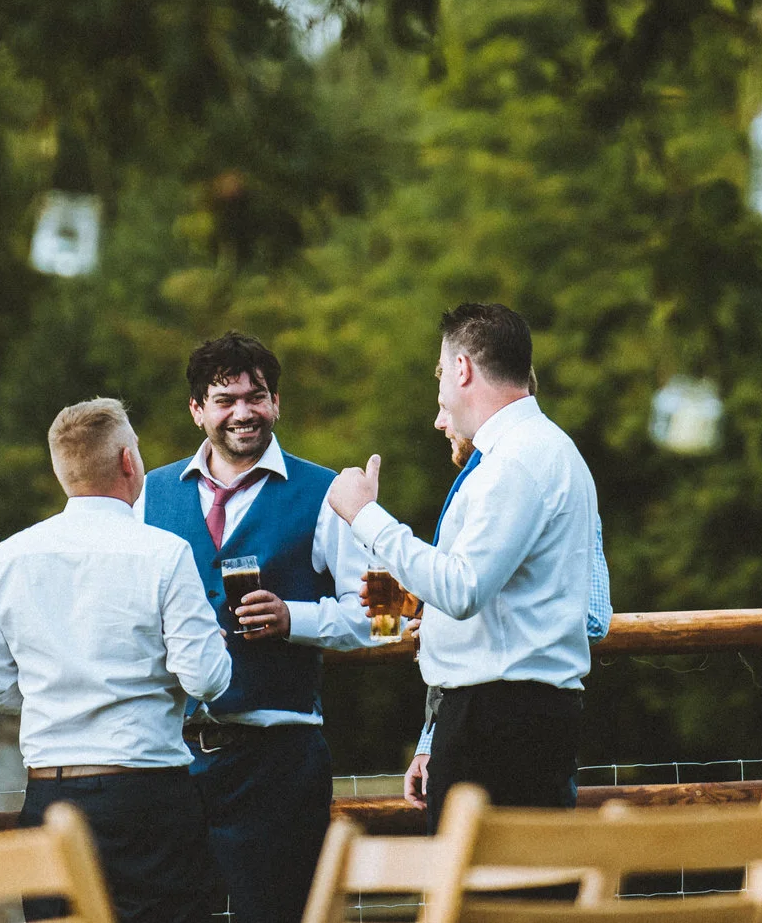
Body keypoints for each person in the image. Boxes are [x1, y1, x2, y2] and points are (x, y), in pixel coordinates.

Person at [326, 302, 600, 830]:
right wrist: (433, 735)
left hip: (500, 728)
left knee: (486, 901)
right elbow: (491, 605)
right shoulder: (535, 451)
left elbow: (462, 587)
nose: (439, 403)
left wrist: (365, 516)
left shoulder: (516, 461)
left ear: (462, 368)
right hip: (502, 719)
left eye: (439, 374)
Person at [136, 334, 371, 923]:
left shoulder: (325, 493)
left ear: (276, 403)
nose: (243, 411)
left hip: (281, 759)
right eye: (224, 399)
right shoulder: (150, 495)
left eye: (256, 396)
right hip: (172, 758)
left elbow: (376, 618)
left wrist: (297, 618)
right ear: (197, 410)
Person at [0, 399, 230, 923]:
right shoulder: (164, 553)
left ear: (62, 469)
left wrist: (51, 692)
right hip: (146, 797)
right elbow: (206, 679)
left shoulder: (11, 555)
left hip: (50, 795)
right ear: (128, 462)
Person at [401, 410, 612, 807]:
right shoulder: (478, 486)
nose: (440, 422)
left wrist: (453, 614)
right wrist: (429, 739)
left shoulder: (527, 478)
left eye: (447, 408)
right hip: (464, 720)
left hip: (516, 718)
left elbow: (593, 618)